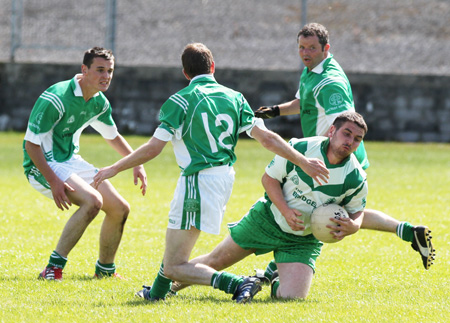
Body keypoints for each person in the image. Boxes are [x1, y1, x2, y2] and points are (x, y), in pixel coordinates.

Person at [93, 43, 329, 303]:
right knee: (176, 244)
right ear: (213, 67)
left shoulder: (180, 100)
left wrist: (115, 167)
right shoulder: (235, 97)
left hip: (198, 180)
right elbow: (268, 139)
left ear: (185, 73)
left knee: (175, 264)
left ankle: (238, 283)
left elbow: (153, 148)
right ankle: (156, 294)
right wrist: (303, 161)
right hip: (224, 178)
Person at [254, 23, 435, 271]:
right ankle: (408, 231)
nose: (305, 53)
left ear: (326, 48)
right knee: (343, 212)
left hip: (336, 156)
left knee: (308, 207)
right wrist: (276, 111)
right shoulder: (313, 70)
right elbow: (304, 101)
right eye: (301, 47)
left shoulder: (330, 83)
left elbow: (345, 127)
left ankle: (273, 270)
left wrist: (323, 157)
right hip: (324, 157)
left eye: (312, 48)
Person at [171, 111, 370, 300]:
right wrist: (286, 211)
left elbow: (357, 210)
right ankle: (165, 286)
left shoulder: (356, 176)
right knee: (216, 261)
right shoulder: (300, 149)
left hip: (302, 239)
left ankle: (275, 279)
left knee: (292, 297)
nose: (350, 141)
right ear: (332, 131)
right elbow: (269, 179)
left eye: (357, 139)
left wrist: (354, 226)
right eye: (347, 133)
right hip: (267, 219)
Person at [23, 47, 147, 281]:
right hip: (41, 165)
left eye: (110, 71)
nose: (106, 76)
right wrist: (53, 181)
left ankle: (105, 270)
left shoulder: (99, 102)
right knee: (93, 202)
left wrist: (135, 163)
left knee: (120, 208)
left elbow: (112, 136)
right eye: (100, 70)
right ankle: (52, 268)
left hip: (70, 161)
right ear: (84, 70)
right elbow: (31, 145)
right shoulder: (56, 98)